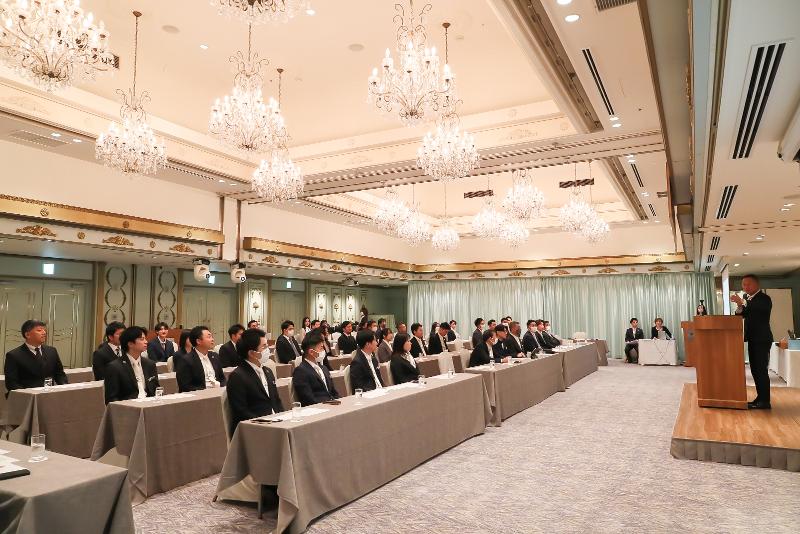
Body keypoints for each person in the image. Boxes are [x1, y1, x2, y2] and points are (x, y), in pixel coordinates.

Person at [226, 328, 283, 433]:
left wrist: (283, 418)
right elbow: (241, 411)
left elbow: (276, 400)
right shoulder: (237, 376)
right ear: (251, 353)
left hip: (275, 423)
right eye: (264, 346)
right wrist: (265, 423)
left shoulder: (268, 371)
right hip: (254, 428)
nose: (268, 350)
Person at [732, 274, 773, 409]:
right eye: (743, 285)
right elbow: (740, 314)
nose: (745, 287)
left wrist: (742, 302)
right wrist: (740, 305)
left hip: (762, 339)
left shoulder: (764, 298)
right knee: (755, 370)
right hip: (753, 338)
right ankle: (760, 398)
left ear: (756, 284)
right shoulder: (748, 299)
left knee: (761, 370)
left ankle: (765, 401)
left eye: (748, 284)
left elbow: (756, 309)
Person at [4, 320, 68, 394]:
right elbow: (12, 383)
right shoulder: (14, 355)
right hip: (27, 397)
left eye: (44, 330)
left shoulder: (52, 351)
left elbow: (59, 373)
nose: (44, 333)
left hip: (49, 395)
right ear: (27, 335)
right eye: (39, 330)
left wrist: (65, 387)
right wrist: (27, 395)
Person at [104, 326, 160, 403]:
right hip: (128, 407)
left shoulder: (150, 364)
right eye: (142, 339)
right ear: (130, 344)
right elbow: (111, 399)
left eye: (145, 339)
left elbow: (156, 390)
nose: (146, 342)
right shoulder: (115, 367)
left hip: (149, 405)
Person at [292, 331, 339, 406]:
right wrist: (329, 404)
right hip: (318, 408)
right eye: (321, 348)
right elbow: (308, 399)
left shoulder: (324, 368)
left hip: (331, 405)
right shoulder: (301, 371)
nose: (323, 351)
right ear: (311, 352)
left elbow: (334, 392)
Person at [175, 326, 226, 392]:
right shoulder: (186, 360)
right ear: (198, 341)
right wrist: (207, 390)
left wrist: (221, 387)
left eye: (212, 337)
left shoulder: (215, 356)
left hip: (218, 392)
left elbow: (222, 378)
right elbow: (185, 386)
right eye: (209, 337)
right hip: (200, 395)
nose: (212, 339)